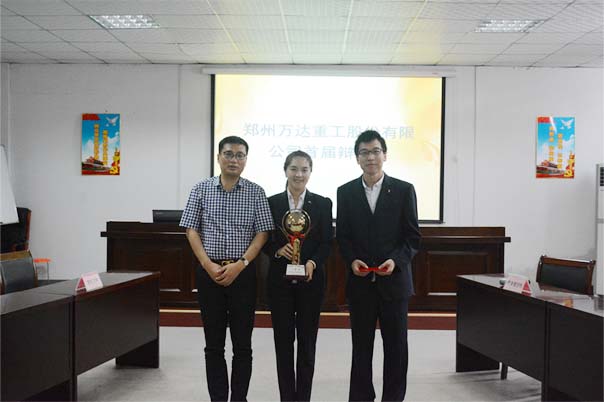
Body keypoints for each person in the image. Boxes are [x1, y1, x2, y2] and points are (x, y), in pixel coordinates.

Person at [180, 136, 274, 402]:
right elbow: (191, 229)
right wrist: (207, 264)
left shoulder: (256, 192)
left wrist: (241, 264)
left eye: (240, 155)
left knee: (243, 346)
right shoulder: (201, 189)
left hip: (243, 274)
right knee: (213, 345)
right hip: (209, 273)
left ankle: (239, 398)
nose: (234, 160)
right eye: (229, 154)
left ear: (246, 159)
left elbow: (263, 233)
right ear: (218, 157)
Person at [336, 130, 421, 402]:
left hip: (394, 284)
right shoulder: (345, 192)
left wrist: (396, 260)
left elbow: (412, 238)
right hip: (360, 283)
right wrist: (351, 260)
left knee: (396, 348)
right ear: (357, 158)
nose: (370, 157)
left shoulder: (404, 190)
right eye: (364, 152)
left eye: (375, 151)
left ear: (385, 155)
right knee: (361, 348)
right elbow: (343, 236)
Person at [264, 150, 333, 401]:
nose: (299, 174)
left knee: (307, 343)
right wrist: (276, 249)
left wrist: (313, 262)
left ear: (310, 172)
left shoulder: (323, 203)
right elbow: (263, 238)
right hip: (279, 282)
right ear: (285, 170)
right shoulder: (270, 203)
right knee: (283, 343)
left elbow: (327, 241)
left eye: (304, 169)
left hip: (311, 282)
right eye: (294, 168)